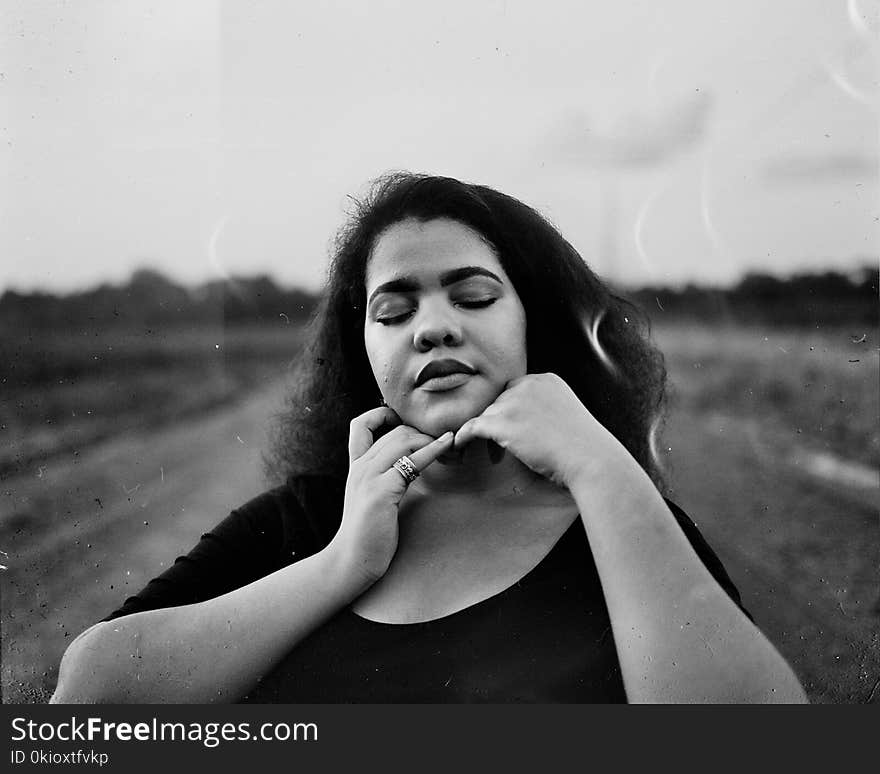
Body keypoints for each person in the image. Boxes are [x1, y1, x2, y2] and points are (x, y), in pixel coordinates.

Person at [51, 172, 807, 703]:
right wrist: (342, 565)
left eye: (473, 295)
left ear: (532, 324)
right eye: (393, 310)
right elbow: (86, 705)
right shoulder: (305, 523)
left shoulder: (625, 525)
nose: (433, 326)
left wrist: (603, 470)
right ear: (364, 350)